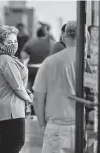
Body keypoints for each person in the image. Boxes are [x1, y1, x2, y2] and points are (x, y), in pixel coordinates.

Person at [33, 21, 78, 153]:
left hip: (56, 128)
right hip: (82, 127)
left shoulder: (50, 62)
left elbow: (37, 98)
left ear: (63, 37)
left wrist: (41, 125)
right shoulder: (89, 61)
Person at [0, 24, 33, 153]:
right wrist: (29, 99)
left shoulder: (7, 58)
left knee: (7, 145)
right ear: (1, 44)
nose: (14, 44)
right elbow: (17, 85)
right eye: (9, 42)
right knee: (16, 143)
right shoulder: (6, 60)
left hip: (10, 107)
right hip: (11, 108)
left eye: (15, 41)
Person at [21, 25, 54, 91]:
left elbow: (23, 55)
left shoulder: (30, 42)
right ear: (45, 35)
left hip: (32, 69)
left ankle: (30, 96)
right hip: (45, 69)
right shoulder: (51, 43)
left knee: (30, 86)